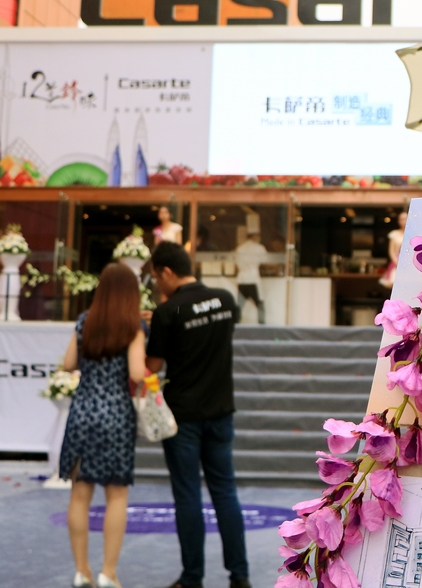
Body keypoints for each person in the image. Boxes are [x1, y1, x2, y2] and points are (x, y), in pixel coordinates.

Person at [146, 242, 250, 588]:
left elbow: (152, 366)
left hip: (183, 416)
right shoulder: (225, 299)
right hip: (220, 409)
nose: (156, 285)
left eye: (156, 278)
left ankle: (192, 577)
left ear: (166, 272)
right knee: (225, 492)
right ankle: (240, 575)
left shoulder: (167, 311)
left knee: (187, 495)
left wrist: (156, 326)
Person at [59, 262, 148, 588]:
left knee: (79, 495)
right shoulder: (132, 326)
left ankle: (81, 571)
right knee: (116, 496)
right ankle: (108, 572)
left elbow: (68, 363)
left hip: (82, 412)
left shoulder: (85, 321)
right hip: (116, 416)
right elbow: (136, 372)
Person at [234, 231, 267, 324]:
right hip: (253, 279)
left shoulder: (240, 248)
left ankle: (235, 325)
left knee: (239, 306)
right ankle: (262, 327)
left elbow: (236, 264)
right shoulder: (259, 248)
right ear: (255, 236)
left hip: (242, 280)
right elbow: (265, 262)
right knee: (260, 304)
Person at [378, 210, 407, 289]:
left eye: (405, 219)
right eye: (402, 219)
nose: (404, 222)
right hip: (397, 263)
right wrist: (397, 263)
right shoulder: (394, 234)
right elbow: (391, 251)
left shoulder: (413, 234)